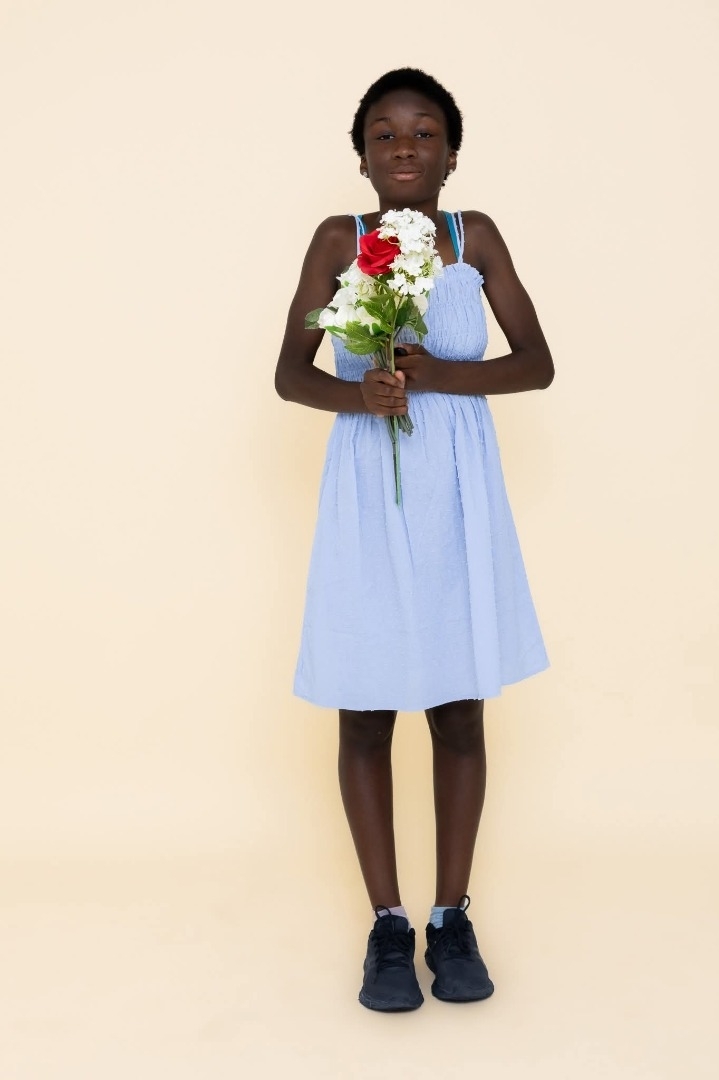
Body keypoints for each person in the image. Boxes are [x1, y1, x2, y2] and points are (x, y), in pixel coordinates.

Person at [274, 68, 554, 1012]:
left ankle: (450, 918)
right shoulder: (337, 241)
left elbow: (537, 364)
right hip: (368, 486)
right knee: (364, 706)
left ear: (451, 154)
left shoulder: (477, 239)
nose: (405, 147)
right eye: (385, 134)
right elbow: (288, 374)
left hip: (457, 494)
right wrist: (359, 393)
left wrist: (435, 376)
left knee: (457, 705)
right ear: (361, 157)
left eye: (424, 132)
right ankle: (387, 928)